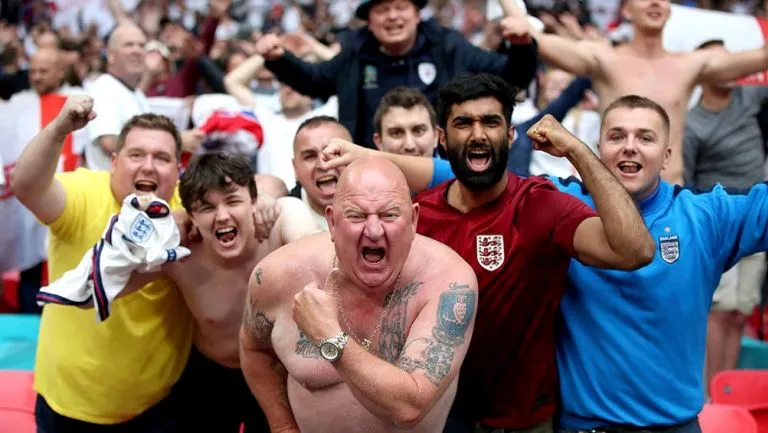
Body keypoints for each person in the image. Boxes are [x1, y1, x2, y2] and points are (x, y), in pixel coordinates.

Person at [319, 73, 655, 432]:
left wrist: (576, 150)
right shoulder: (419, 216)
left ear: (510, 135)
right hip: (434, 417)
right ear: (444, 140)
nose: (478, 134)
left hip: (522, 422)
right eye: (463, 123)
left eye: (491, 122)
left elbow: (634, 251)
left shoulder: (540, 205)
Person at [11, 95, 279, 432]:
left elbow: (255, 185)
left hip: (158, 406)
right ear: (114, 161)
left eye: (162, 158)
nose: (149, 166)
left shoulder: (194, 207)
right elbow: (25, 186)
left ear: (178, 168)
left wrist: (266, 198)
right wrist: (61, 127)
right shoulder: (83, 193)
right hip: (71, 403)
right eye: (136, 155)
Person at [550, 94, 768, 432]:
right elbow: (473, 180)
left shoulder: (705, 216)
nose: (629, 147)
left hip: (674, 426)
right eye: (616, 136)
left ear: (667, 157)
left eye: (645, 138)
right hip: (585, 426)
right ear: (596, 149)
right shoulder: (559, 204)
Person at [239, 156, 479, 433]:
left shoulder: (448, 282)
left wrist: (330, 337)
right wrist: (282, 427)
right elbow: (253, 348)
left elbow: (409, 407)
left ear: (414, 220)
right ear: (331, 221)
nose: (374, 231)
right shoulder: (277, 275)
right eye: (356, 215)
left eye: (389, 215)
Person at [500, 0, 768, 186]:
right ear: (626, 9)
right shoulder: (604, 59)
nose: (655, 3)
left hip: (671, 195)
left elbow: (761, 57)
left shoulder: (690, 64)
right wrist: (510, 11)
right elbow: (534, 36)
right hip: (613, 195)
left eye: (662, 0)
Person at [254, 0, 537, 148]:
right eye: (383, 10)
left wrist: (523, 46)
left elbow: (510, 79)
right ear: (369, 20)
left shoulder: (447, 45)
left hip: (441, 168)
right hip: (370, 169)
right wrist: (280, 60)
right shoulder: (355, 52)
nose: (393, 17)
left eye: (401, 7)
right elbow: (315, 81)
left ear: (416, 14)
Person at [683, 40, 768, 387]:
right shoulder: (691, 124)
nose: (731, 66)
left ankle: (728, 388)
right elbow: (686, 181)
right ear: (704, 72)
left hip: (759, 218)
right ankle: (709, 395)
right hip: (718, 224)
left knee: (739, 312)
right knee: (718, 312)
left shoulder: (751, 98)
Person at [289, 116, 352, 230]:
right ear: (295, 168)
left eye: (334, 152)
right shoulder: (278, 217)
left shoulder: (385, 207)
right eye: (310, 156)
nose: (323, 165)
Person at [373, 86, 439, 157]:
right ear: (379, 142)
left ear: (436, 136)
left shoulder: (451, 168)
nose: (410, 146)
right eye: (396, 133)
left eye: (418, 131)